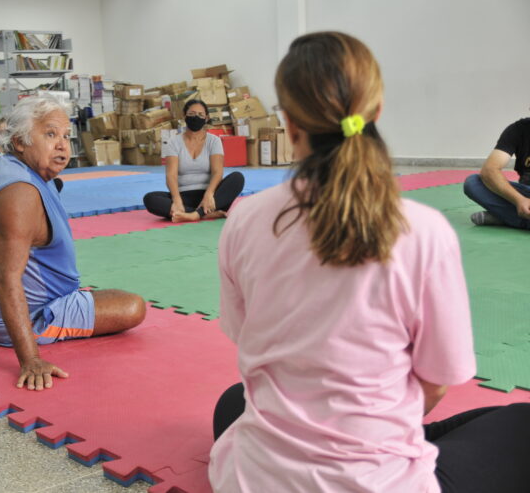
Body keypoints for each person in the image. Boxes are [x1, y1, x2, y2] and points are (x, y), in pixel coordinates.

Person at [209, 32, 530, 493]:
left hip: (253, 478)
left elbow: (246, 339)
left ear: (288, 122)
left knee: (235, 401)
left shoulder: (244, 220)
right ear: (376, 113)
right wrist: (360, 432)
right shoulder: (422, 230)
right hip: (379, 482)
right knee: (519, 421)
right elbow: (436, 384)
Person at [0, 95, 146, 391]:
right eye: (50, 134)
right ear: (20, 142)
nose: (62, 145)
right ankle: (0, 322)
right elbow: (7, 279)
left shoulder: (16, 170)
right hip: (35, 315)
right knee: (132, 306)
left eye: (66, 136)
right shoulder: (20, 195)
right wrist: (30, 358)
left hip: (2, 305)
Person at [143, 99, 244, 222]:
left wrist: (209, 194)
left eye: (201, 115)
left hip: (212, 198)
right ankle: (203, 213)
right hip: (183, 196)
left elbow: (217, 172)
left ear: (206, 118)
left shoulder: (214, 141)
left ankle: (193, 214)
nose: (196, 117)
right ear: (184, 116)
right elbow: (171, 175)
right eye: (192, 114)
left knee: (237, 178)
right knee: (150, 199)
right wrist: (176, 200)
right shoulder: (173, 142)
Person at [464, 118, 530, 228]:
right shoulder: (518, 130)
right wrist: (519, 200)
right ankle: (514, 217)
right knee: (473, 183)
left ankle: (506, 217)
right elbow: (489, 170)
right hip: (525, 195)